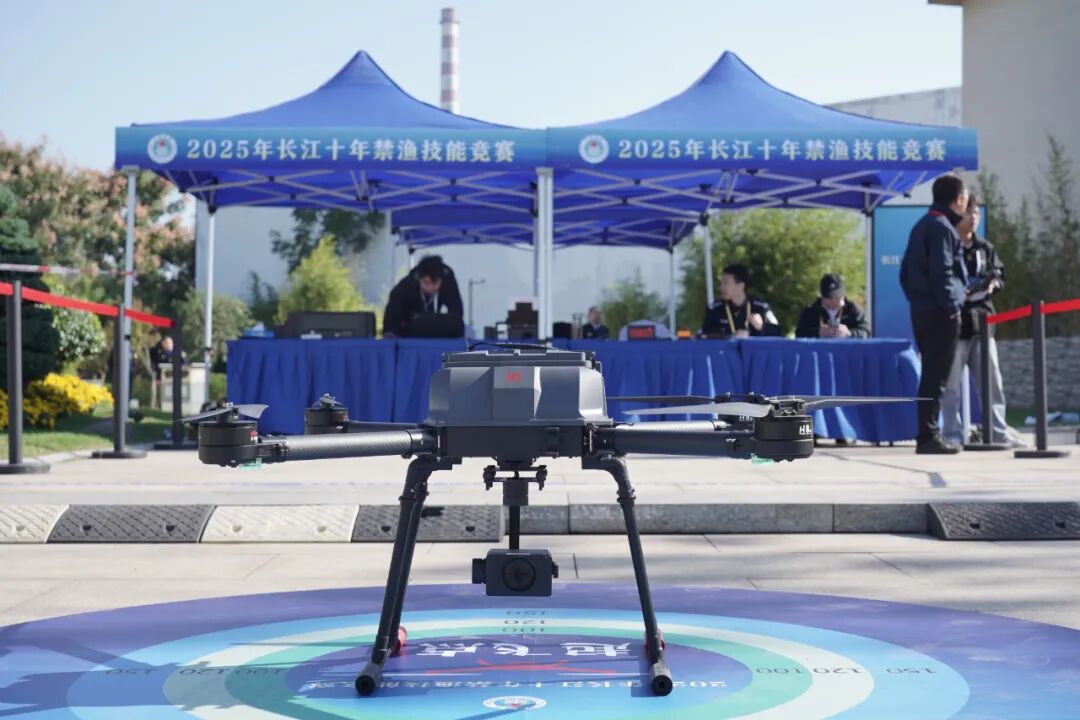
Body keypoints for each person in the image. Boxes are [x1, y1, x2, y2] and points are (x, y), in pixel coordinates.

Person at [940, 196, 1025, 448]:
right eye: (969, 213)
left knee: (993, 383)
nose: (973, 218)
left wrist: (992, 284)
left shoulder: (984, 247)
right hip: (955, 325)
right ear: (957, 215)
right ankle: (951, 434)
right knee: (951, 386)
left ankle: (998, 432)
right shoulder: (947, 247)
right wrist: (960, 293)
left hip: (983, 323)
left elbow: (1000, 275)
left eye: (976, 213)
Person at [899, 174, 969, 454]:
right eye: (965, 198)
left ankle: (927, 434)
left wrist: (920, 301)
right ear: (958, 199)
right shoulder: (942, 228)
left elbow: (904, 274)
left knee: (930, 374)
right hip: (941, 314)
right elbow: (942, 273)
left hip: (923, 311)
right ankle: (928, 436)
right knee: (936, 377)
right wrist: (951, 307)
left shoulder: (922, 225)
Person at [383, 255, 464, 338]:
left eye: (436, 283)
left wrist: (456, 329)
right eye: (427, 282)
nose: (432, 287)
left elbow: (457, 310)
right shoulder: (405, 287)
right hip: (408, 327)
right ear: (419, 279)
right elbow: (391, 313)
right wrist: (389, 331)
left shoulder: (448, 280)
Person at [701, 264, 782, 338]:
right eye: (721, 283)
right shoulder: (715, 309)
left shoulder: (760, 307)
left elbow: (778, 333)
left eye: (726, 283)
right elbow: (704, 336)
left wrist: (761, 327)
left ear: (740, 286)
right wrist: (731, 336)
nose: (721, 287)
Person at [795, 273, 870, 339]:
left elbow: (866, 332)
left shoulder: (853, 309)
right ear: (822, 296)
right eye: (829, 298)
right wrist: (818, 332)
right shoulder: (810, 311)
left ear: (843, 294)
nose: (833, 301)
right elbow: (799, 334)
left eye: (837, 297)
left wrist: (849, 333)